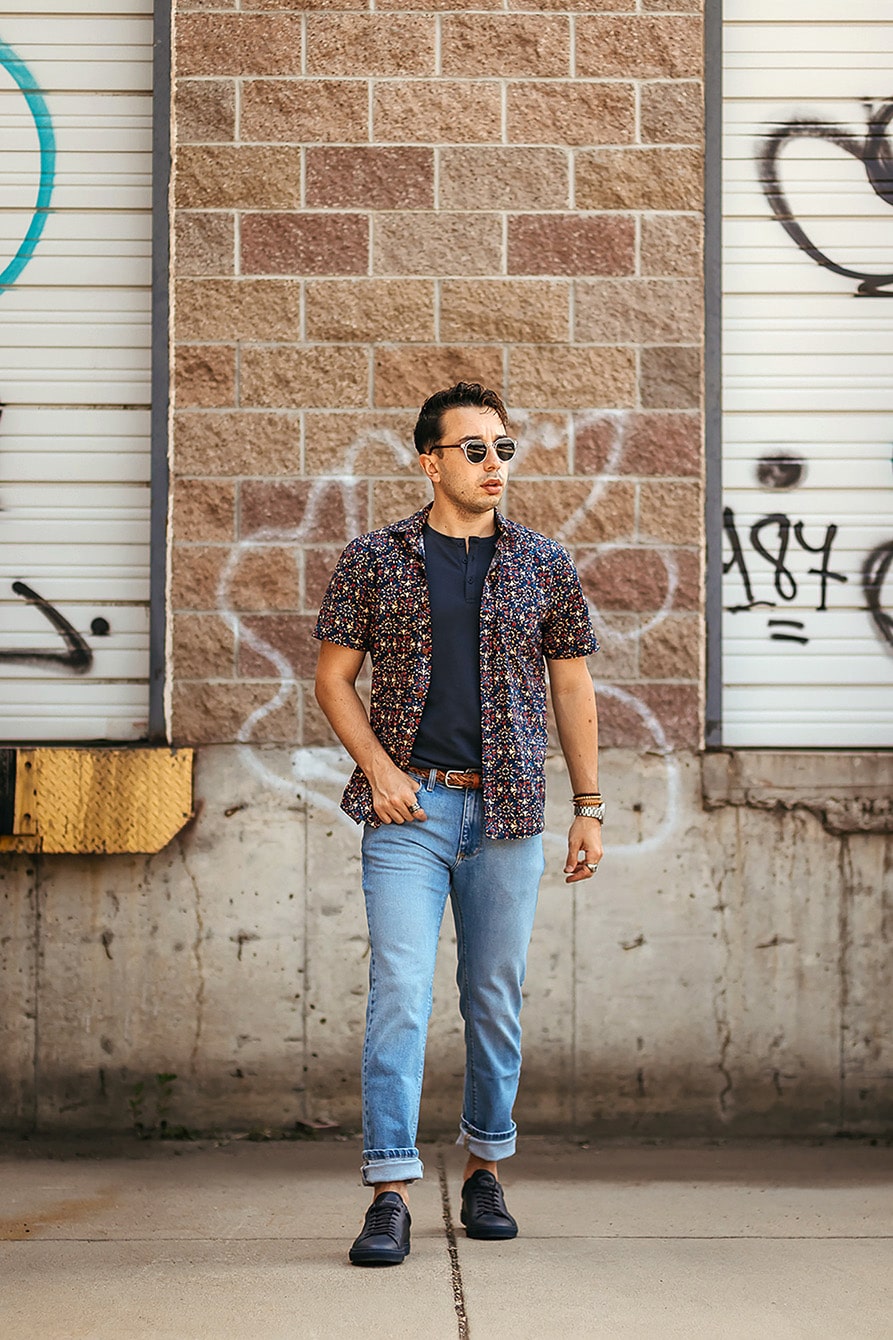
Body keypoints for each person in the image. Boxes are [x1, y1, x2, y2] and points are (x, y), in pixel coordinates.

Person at [313, 381, 603, 1267]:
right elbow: (332, 679)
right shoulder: (375, 558)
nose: (493, 465)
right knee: (399, 995)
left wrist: (588, 807)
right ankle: (391, 1191)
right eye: (473, 449)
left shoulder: (543, 563)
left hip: (509, 811)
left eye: (503, 448)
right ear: (429, 460)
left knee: (493, 999)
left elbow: (571, 685)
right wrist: (379, 769)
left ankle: (484, 1169)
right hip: (409, 811)